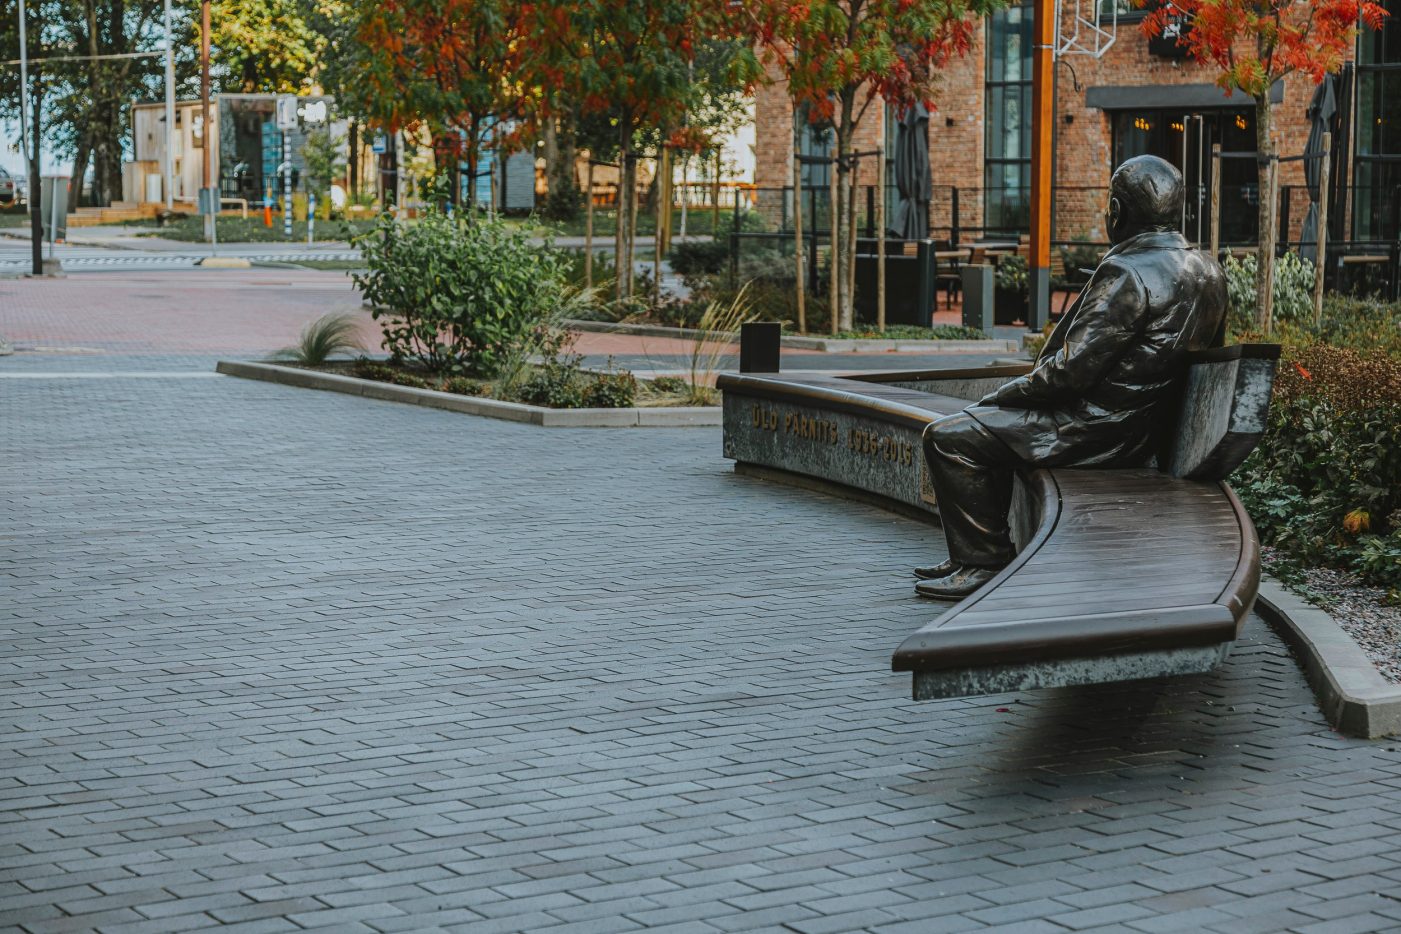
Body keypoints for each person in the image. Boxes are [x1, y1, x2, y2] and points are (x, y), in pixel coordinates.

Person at [915, 155, 1226, 600]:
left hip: (1095, 429)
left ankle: (983, 561)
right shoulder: (1209, 271)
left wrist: (1000, 396)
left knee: (949, 438)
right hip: (1144, 429)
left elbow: (1067, 374)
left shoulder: (1127, 271)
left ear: (1117, 211)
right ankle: (972, 553)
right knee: (986, 430)